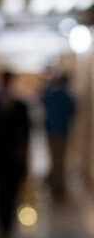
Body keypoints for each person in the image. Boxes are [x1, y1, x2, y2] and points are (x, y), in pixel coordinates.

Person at [0, 70, 32, 238]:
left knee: (12, 189)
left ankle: (9, 222)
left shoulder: (20, 105)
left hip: (14, 155)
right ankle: (1, 223)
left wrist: (23, 149)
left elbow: (26, 130)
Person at [39, 72, 75, 202]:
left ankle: (55, 183)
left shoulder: (52, 95)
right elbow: (72, 112)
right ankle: (55, 183)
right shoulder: (66, 97)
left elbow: (42, 97)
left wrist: (48, 84)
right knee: (59, 160)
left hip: (53, 131)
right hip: (61, 132)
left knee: (55, 159)